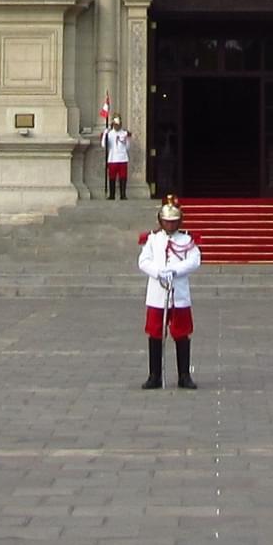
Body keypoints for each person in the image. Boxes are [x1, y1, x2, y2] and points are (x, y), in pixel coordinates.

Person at [137, 198, 201, 390]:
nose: (170, 224)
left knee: (182, 333)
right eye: (166, 221)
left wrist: (175, 270)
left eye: (173, 221)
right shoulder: (152, 239)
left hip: (179, 293)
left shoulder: (187, 240)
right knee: (155, 332)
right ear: (160, 220)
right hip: (157, 293)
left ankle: (184, 375)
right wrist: (158, 272)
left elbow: (195, 260)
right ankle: (154, 375)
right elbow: (143, 261)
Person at [102, 113, 133, 200]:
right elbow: (104, 145)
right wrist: (105, 135)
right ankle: (112, 194)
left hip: (123, 158)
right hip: (112, 158)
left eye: (118, 124)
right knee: (112, 177)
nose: (117, 126)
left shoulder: (124, 133)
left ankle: (123, 194)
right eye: (115, 124)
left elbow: (127, 147)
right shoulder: (110, 134)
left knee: (123, 177)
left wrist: (126, 140)